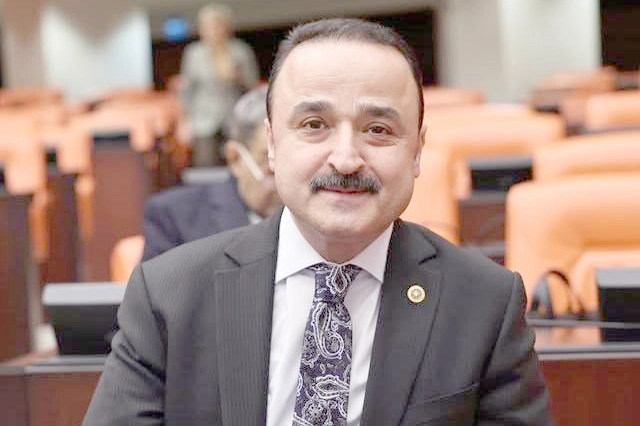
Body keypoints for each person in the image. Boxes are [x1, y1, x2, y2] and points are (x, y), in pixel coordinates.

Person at [82, 18, 552, 426]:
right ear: (271, 144)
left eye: (378, 130)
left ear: (417, 151)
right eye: (314, 125)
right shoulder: (168, 296)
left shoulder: (485, 305)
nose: (345, 159)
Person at [141, 85, 280, 261]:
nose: (286, 183)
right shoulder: (175, 219)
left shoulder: (312, 221)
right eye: (271, 168)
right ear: (235, 158)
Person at [180, 3, 260, 166]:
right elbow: (187, 90)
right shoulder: (194, 53)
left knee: (238, 165)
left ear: (227, 27)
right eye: (208, 26)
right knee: (205, 165)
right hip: (203, 121)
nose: (213, 30)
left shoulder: (240, 51)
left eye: (217, 25)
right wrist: (185, 121)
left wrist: (239, 77)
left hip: (234, 120)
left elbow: (253, 86)